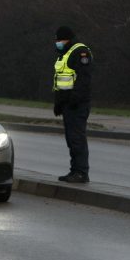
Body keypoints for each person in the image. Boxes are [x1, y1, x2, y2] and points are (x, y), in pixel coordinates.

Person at [53, 25, 93, 183]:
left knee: (77, 138)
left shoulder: (81, 52)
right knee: (71, 139)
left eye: (59, 39)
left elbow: (83, 81)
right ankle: (74, 170)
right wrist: (59, 103)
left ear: (67, 39)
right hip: (68, 104)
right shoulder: (65, 53)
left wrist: (73, 101)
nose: (57, 42)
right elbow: (61, 82)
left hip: (77, 104)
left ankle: (81, 172)